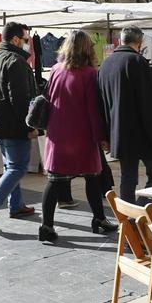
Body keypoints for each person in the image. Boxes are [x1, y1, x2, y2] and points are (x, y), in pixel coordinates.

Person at [38, 31, 118, 243]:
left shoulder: (55, 70)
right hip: (81, 135)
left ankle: (46, 226)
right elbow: (94, 110)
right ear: (87, 48)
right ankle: (99, 219)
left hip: (57, 134)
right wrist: (102, 137)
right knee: (92, 178)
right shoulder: (90, 74)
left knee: (54, 181)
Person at [98, 26, 152, 205]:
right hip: (143, 135)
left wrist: (105, 135)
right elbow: (149, 105)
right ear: (140, 42)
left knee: (128, 179)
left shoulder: (106, 64)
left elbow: (101, 104)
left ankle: (128, 219)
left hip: (120, 133)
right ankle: (138, 213)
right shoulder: (138, 62)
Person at [0, 21, 39, 231]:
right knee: (17, 167)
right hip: (13, 125)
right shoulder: (16, 62)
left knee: (9, 165)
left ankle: (16, 205)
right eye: (26, 40)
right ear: (15, 40)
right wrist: (30, 125)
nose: (28, 44)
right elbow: (20, 100)